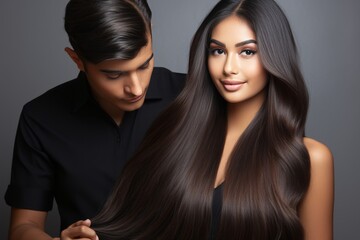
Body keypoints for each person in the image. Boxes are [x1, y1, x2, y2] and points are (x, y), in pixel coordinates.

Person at [62, 0, 334, 239]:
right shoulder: (176, 134)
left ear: (275, 56)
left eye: (247, 52)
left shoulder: (311, 158)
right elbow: (139, 226)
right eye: (218, 51)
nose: (229, 67)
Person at [4, 0, 185, 239]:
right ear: (77, 60)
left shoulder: (193, 97)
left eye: (144, 65)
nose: (136, 88)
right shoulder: (40, 118)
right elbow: (22, 227)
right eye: (114, 74)